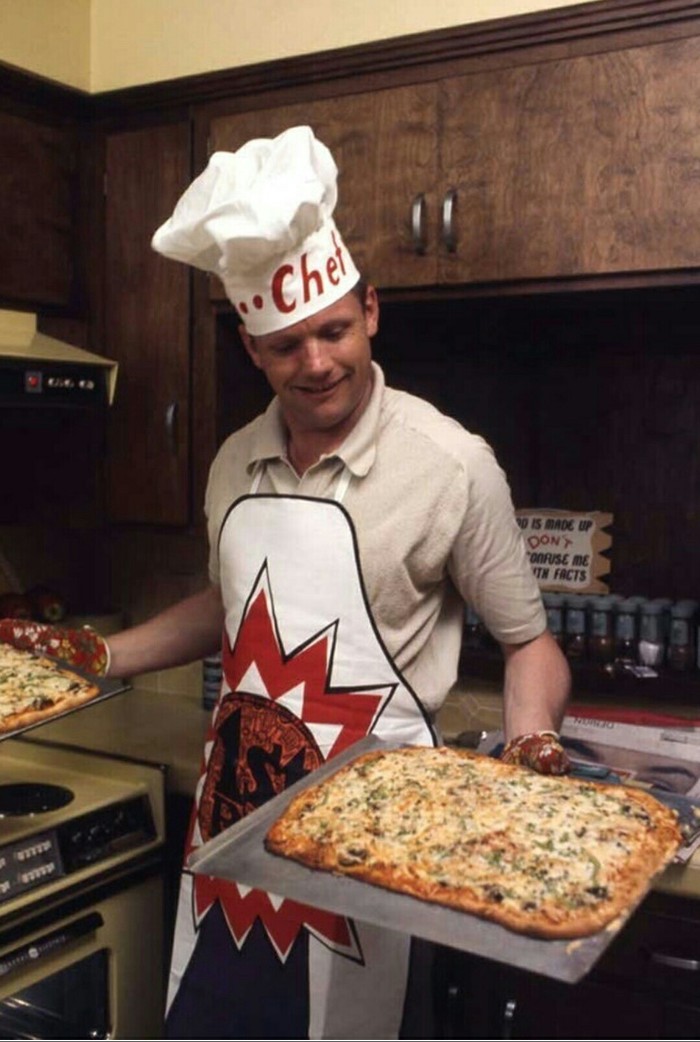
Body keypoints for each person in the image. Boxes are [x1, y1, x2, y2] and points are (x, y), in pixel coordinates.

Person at [0, 126, 570, 1040]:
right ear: (250, 349)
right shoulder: (232, 461)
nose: (317, 364)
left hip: (377, 841)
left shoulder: (454, 465)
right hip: (233, 827)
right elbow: (233, 606)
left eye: (335, 331)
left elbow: (529, 641)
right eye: (286, 344)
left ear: (372, 310)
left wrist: (532, 749)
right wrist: (96, 653)